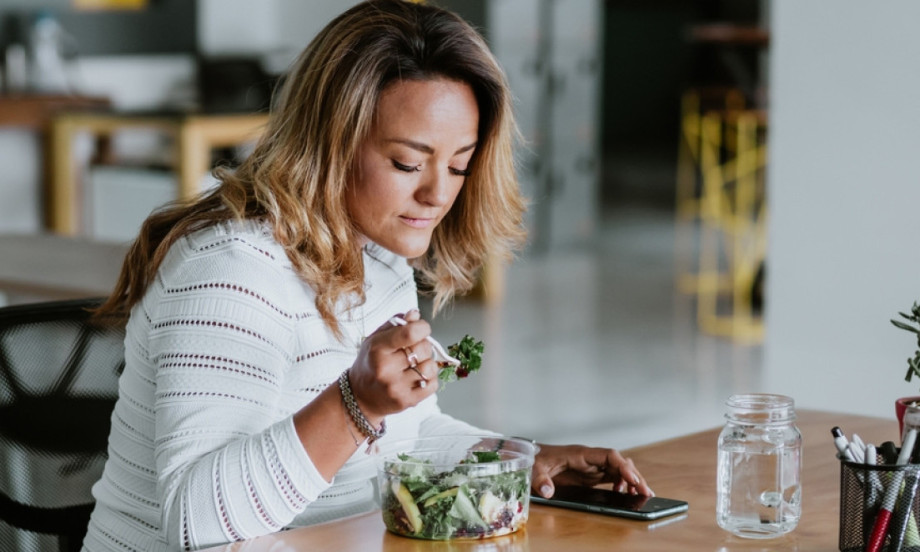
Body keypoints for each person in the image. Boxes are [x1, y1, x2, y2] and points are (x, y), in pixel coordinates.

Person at [81, 1, 652, 550]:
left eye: (458, 164)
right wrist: (355, 404)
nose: (438, 193)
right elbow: (197, 518)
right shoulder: (230, 269)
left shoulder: (377, 257)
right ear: (331, 144)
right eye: (407, 163)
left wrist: (519, 460)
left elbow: (410, 437)